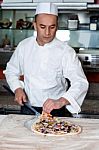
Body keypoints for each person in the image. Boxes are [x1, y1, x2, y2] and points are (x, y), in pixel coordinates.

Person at [4, 3, 89, 117]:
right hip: (28, 107)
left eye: (52, 27)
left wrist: (61, 101)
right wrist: (17, 88)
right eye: (42, 26)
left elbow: (80, 82)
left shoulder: (66, 51)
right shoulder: (24, 46)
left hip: (56, 110)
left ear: (57, 26)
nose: (48, 32)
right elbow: (11, 70)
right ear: (35, 25)